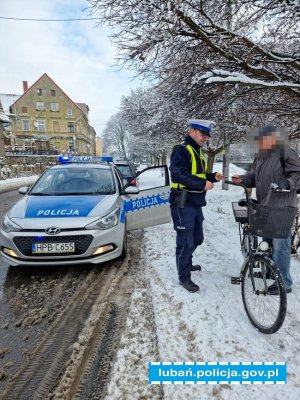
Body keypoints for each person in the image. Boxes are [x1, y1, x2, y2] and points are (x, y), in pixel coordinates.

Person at [232, 125, 300, 294]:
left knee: (280, 244)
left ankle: (284, 283)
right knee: (267, 242)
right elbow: (254, 177)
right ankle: (270, 271)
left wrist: (287, 183)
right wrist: (243, 179)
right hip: (265, 205)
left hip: (282, 206)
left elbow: (298, 174)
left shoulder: (286, 153)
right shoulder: (261, 156)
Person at [169, 119, 224, 293]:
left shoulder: (197, 152)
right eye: (202, 135)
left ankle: (187, 262)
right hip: (182, 203)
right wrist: (202, 184)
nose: (204, 139)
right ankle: (184, 277)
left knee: (196, 238)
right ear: (192, 131)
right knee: (185, 241)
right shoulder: (182, 150)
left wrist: (212, 176)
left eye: (206, 136)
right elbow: (178, 174)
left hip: (195, 203)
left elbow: (196, 174)